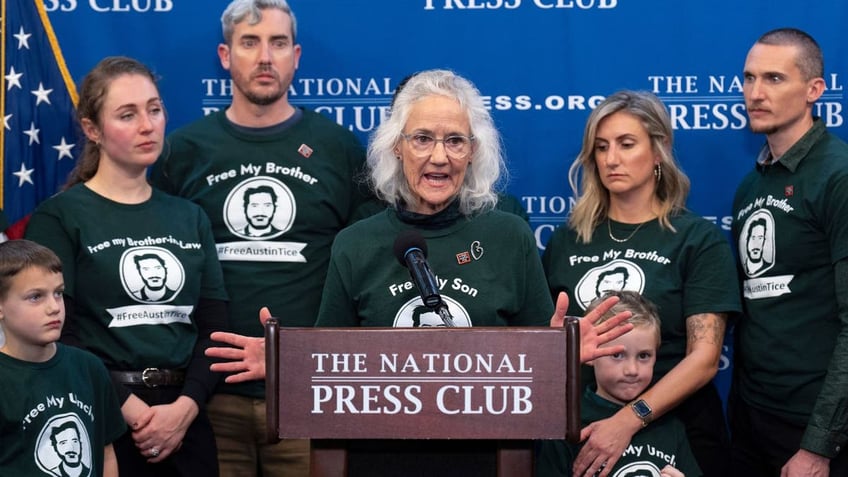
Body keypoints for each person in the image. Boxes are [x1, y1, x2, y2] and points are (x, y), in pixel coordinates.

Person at [207, 68, 635, 476]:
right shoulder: (356, 243)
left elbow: (536, 381)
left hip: (490, 461)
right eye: (422, 139)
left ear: (473, 151)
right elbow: (329, 369)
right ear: (397, 146)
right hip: (378, 461)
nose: (439, 156)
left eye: (454, 141)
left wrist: (559, 356)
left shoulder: (509, 236)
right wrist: (291, 363)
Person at [148, 0, 379, 474]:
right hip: (209, 400)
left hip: (308, 392)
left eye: (277, 43)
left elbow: (366, 270)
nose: (265, 57)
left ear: (296, 55)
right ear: (225, 55)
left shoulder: (338, 148)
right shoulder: (183, 152)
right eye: (249, 43)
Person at [24, 56, 229, 477]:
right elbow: (60, 330)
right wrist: (129, 408)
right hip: (103, 417)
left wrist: (186, 407)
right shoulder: (61, 217)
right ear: (91, 129)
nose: (147, 125)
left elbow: (214, 324)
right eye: (127, 114)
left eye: (154, 109)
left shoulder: (189, 216)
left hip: (187, 421)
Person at [542, 90, 741, 477]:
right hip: (582, 433)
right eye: (601, 147)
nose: (611, 159)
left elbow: (704, 359)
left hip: (679, 434)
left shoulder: (696, 239)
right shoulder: (568, 240)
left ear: (659, 151)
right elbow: (545, 342)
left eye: (626, 144)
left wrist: (628, 421)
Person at [730, 27, 848, 476]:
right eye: (748, 78)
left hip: (816, 429)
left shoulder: (838, 176)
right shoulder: (751, 185)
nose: (755, 93)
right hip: (753, 418)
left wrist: (819, 446)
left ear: (814, 90)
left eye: (775, 79)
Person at [536, 290, 700, 477]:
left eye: (644, 356)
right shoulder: (567, 424)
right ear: (591, 354)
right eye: (617, 355)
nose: (632, 369)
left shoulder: (669, 424)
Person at [0, 239, 125, 477]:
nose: (54, 307)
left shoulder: (89, 368)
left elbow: (106, 452)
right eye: (36, 297)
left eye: (58, 293)